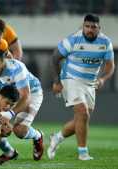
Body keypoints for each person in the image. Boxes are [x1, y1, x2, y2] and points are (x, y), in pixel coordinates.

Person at [48, 14, 115, 161]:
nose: (90, 30)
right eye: (87, 26)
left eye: (93, 27)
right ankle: (83, 153)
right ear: (83, 26)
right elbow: (54, 57)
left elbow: (110, 65)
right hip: (71, 79)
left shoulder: (105, 43)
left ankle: (57, 138)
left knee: (82, 119)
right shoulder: (73, 40)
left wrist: (103, 79)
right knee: (82, 113)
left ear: (99, 28)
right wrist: (56, 81)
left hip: (90, 83)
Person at [0, 48, 44, 162]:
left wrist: (9, 114)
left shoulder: (17, 68)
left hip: (31, 94)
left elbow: (25, 97)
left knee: (20, 131)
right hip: (8, 97)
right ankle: (9, 152)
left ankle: (38, 136)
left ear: (4, 61)